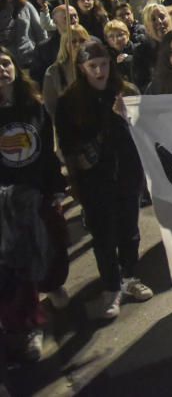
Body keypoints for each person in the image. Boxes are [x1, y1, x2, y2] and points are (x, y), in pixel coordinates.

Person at [55, 39, 153, 320]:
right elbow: (67, 142)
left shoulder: (125, 91)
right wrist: (78, 162)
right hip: (95, 180)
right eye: (92, 66)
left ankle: (129, 276)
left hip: (127, 173)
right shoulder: (70, 102)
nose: (100, 71)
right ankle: (111, 287)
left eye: (104, 64)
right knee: (104, 235)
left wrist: (126, 117)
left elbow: (143, 129)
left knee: (129, 230)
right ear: (82, 68)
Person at [0, 46, 69, 362]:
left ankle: (53, 284)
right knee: (20, 263)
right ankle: (32, 325)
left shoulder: (35, 106)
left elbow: (45, 152)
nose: (2, 70)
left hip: (39, 193)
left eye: (5, 63)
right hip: (9, 202)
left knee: (52, 247)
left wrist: (55, 187)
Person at [0, 0, 48, 70]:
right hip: (10, 62)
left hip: (31, 57)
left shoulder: (25, 6)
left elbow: (40, 30)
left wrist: (44, 53)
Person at [41, 24, 90, 117]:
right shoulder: (53, 71)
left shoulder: (95, 65)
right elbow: (50, 106)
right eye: (73, 41)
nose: (78, 45)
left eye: (82, 40)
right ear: (65, 45)